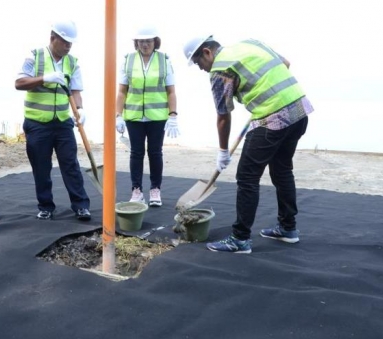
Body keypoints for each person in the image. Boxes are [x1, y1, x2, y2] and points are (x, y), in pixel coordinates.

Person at [183, 35, 313, 254]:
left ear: (207, 52)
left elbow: (223, 115)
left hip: (272, 118)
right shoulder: (250, 44)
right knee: (282, 170)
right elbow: (286, 63)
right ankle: (288, 229)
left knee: (247, 177)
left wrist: (223, 151)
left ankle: (240, 239)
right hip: (299, 110)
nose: (201, 69)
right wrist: (265, 95)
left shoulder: (220, 70)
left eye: (198, 63)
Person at [15, 20, 91, 221]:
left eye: (70, 43)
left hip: (63, 122)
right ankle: (46, 206)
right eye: (64, 42)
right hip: (37, 123)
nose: (68, 46)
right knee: (41, 167)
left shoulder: (72, 62)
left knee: (70, 164)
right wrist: (44, 78)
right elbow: (19, 82)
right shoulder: (35, 56)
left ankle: (81, 205)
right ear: (52, 38)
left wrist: (80, 108)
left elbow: (75, 91)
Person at [115, 26, 179, 207]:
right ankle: (136, 190)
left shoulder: (164, 60)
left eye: (148, 41)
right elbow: (121, 92)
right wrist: (117, 115)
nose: (145, 45)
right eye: (141, 41)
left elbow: (171, 91)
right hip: (134, 115)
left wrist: (173, 115)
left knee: (155, 153)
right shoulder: (128, 60)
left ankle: (155, 189)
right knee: (136, 153)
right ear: (136, 42)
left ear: (155, 42)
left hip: (157, 116)